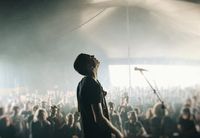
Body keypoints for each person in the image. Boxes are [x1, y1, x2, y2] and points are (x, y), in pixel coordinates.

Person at [74, 53, 123, 138]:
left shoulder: (81, 83)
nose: (93, 56)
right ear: (89, 66)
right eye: (90, 57)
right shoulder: (92, 84)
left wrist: (99, 97)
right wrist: (117, 132)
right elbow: (99, 118)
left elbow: (81, 109)